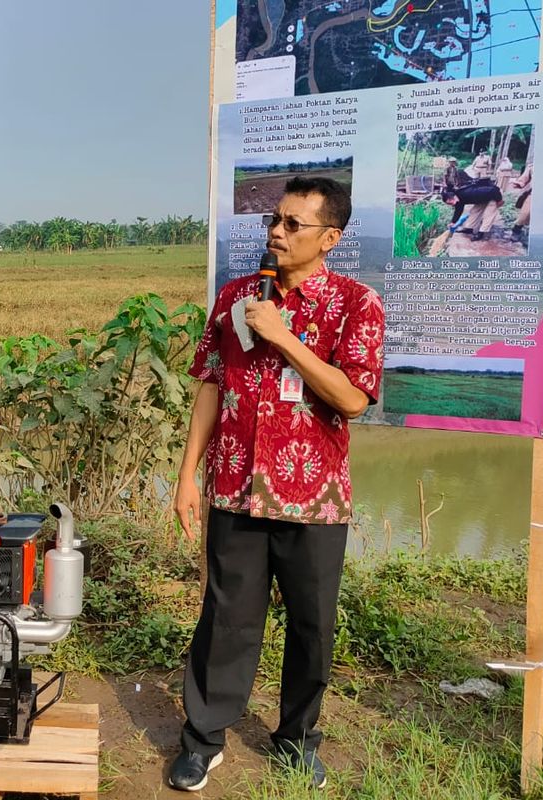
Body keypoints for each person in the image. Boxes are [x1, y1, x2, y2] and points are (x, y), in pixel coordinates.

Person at [167, 177, 384, 792]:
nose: (276, 233)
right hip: (234, 485)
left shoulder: (355, 304)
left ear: (329, 238)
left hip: (314, 496)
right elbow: (211, 384)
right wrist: (189, 474)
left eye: (293, 225)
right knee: (226, 616)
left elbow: (352, 399)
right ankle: (204, 738)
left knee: (312, 625)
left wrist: (284, 336)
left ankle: (296, 739)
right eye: (275, 221)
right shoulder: (237, 295)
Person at [510, 165, 532, 245]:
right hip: (533, 194)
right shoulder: (532, 166)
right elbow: (524, 178)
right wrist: (519, 184)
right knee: (525, 213)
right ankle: (516, 231)